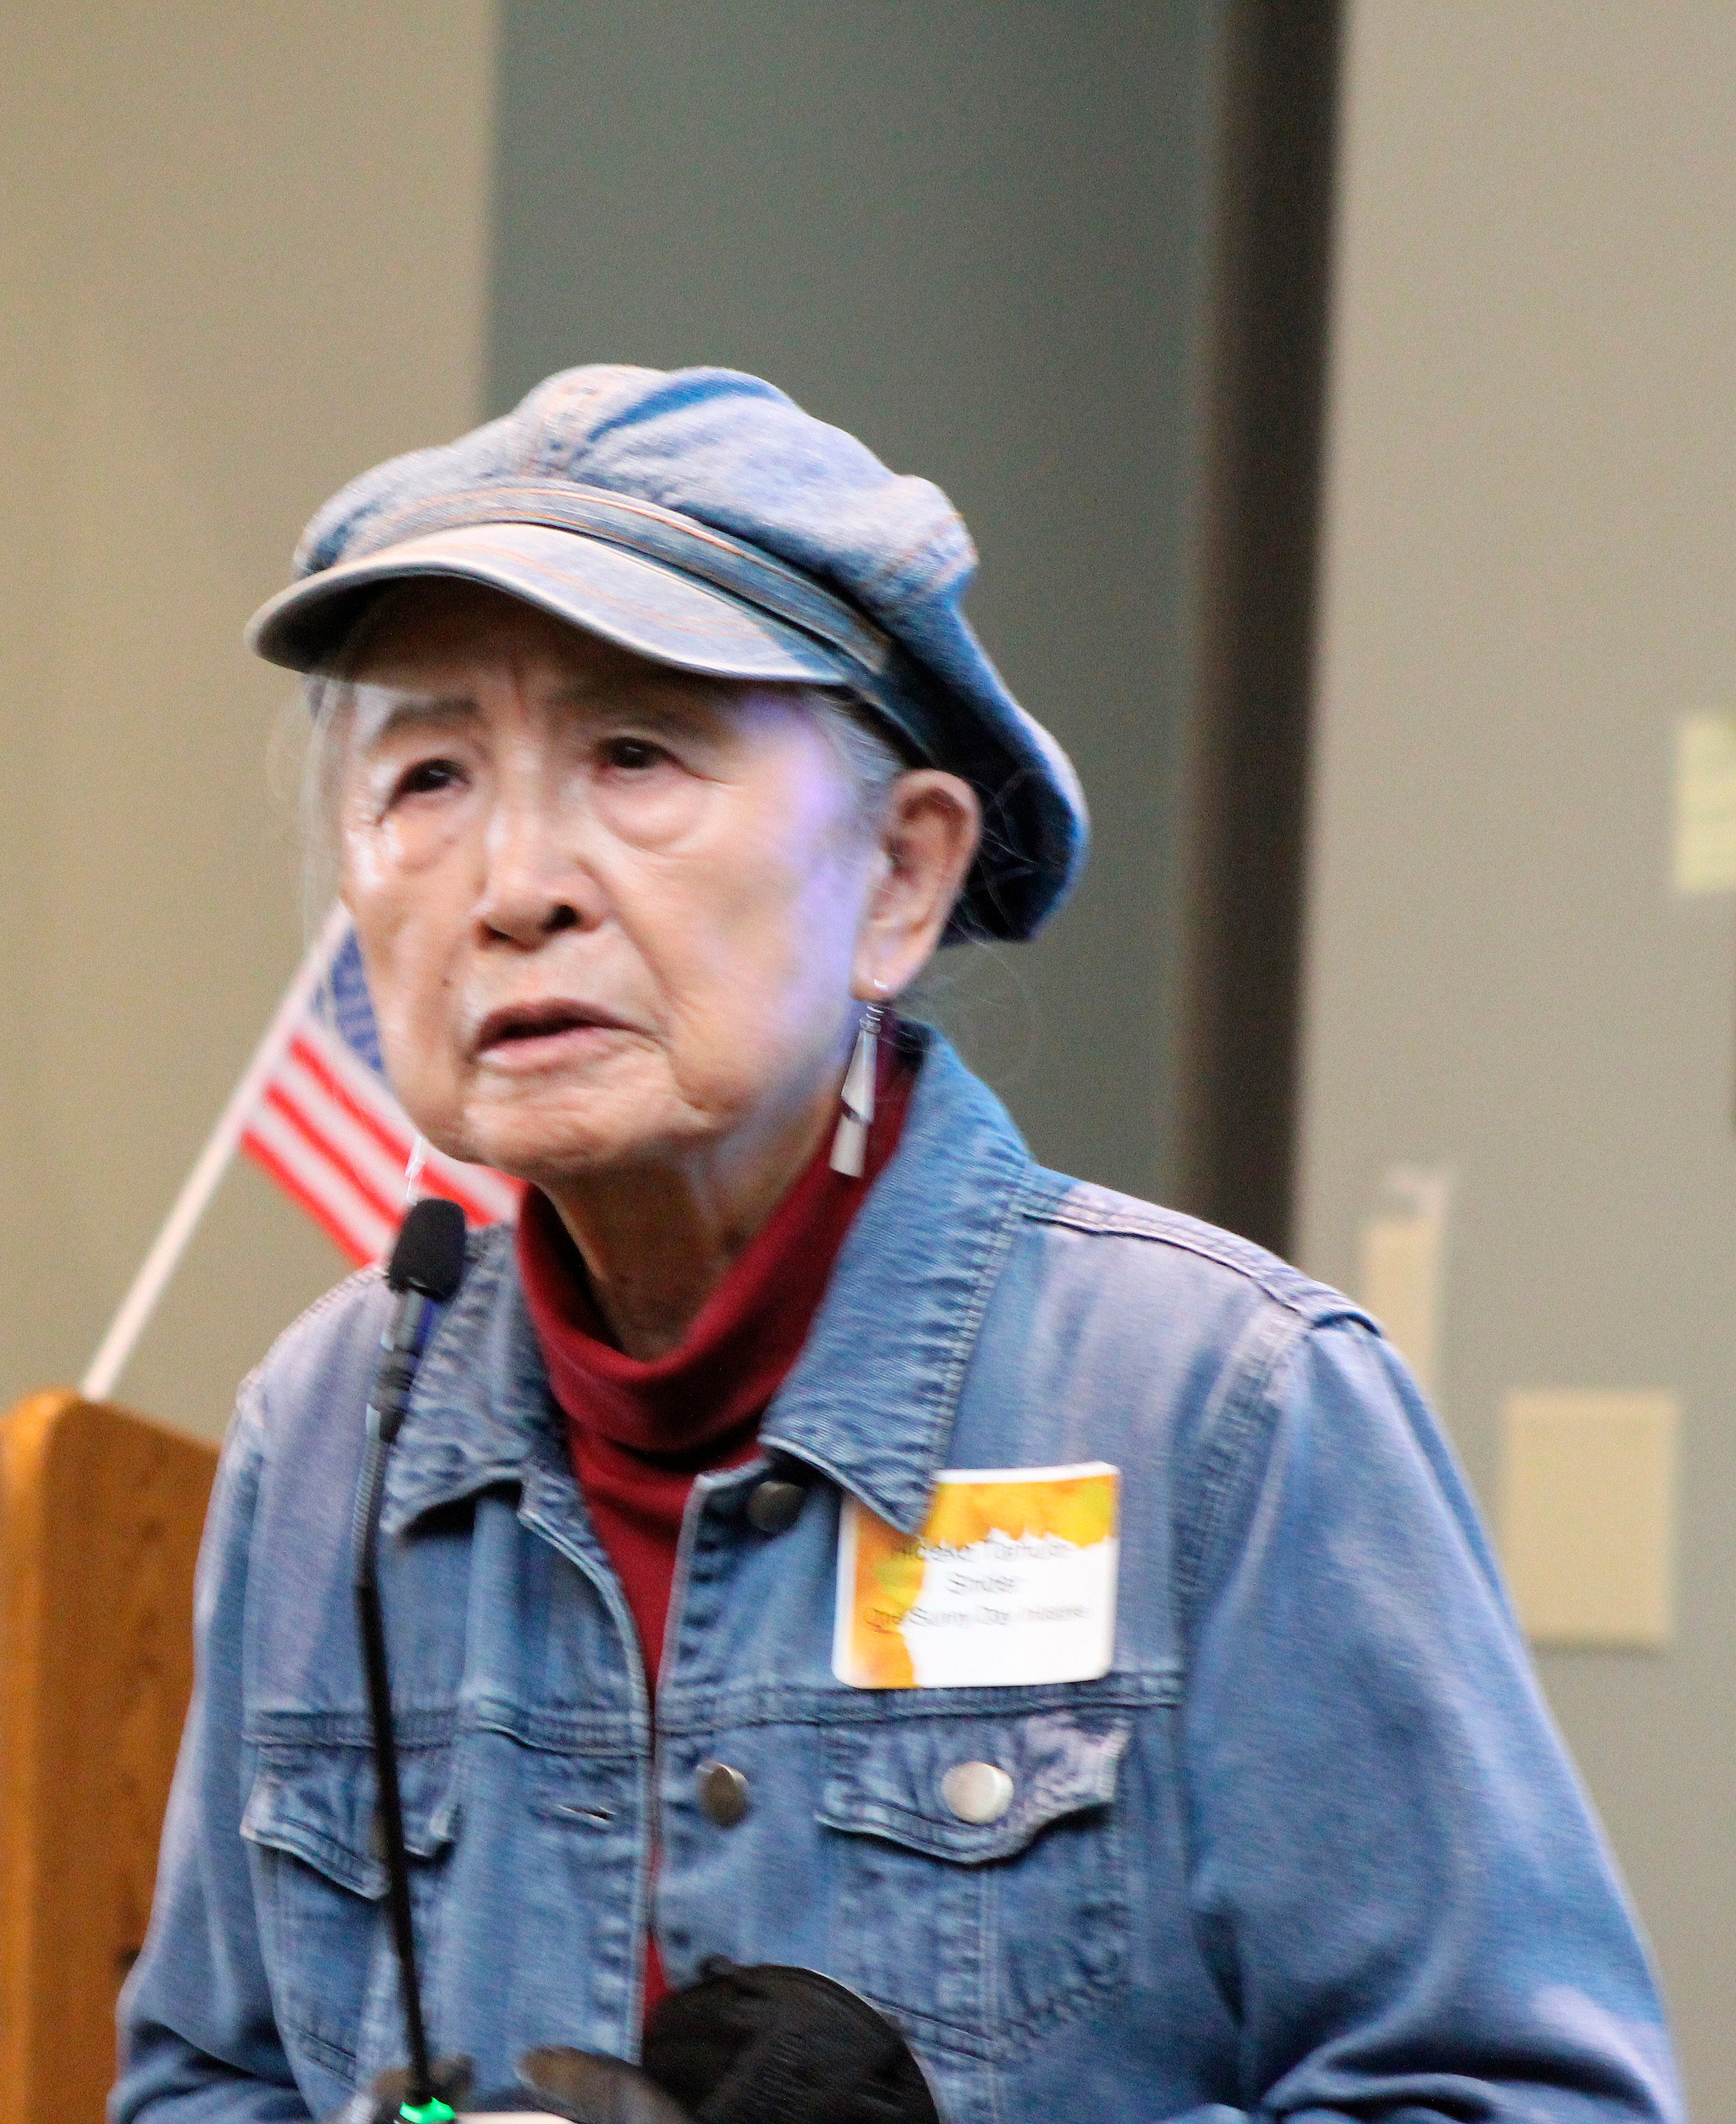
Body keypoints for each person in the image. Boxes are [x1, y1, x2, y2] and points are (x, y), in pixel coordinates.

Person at [112, 367, 1679, 2123]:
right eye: (429, 775)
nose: (513, 882)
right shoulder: (328, 1434)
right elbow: (206, 2083)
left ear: (903, 879)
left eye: (636, 753)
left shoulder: (1222, 1410)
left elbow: (1524, 2101)